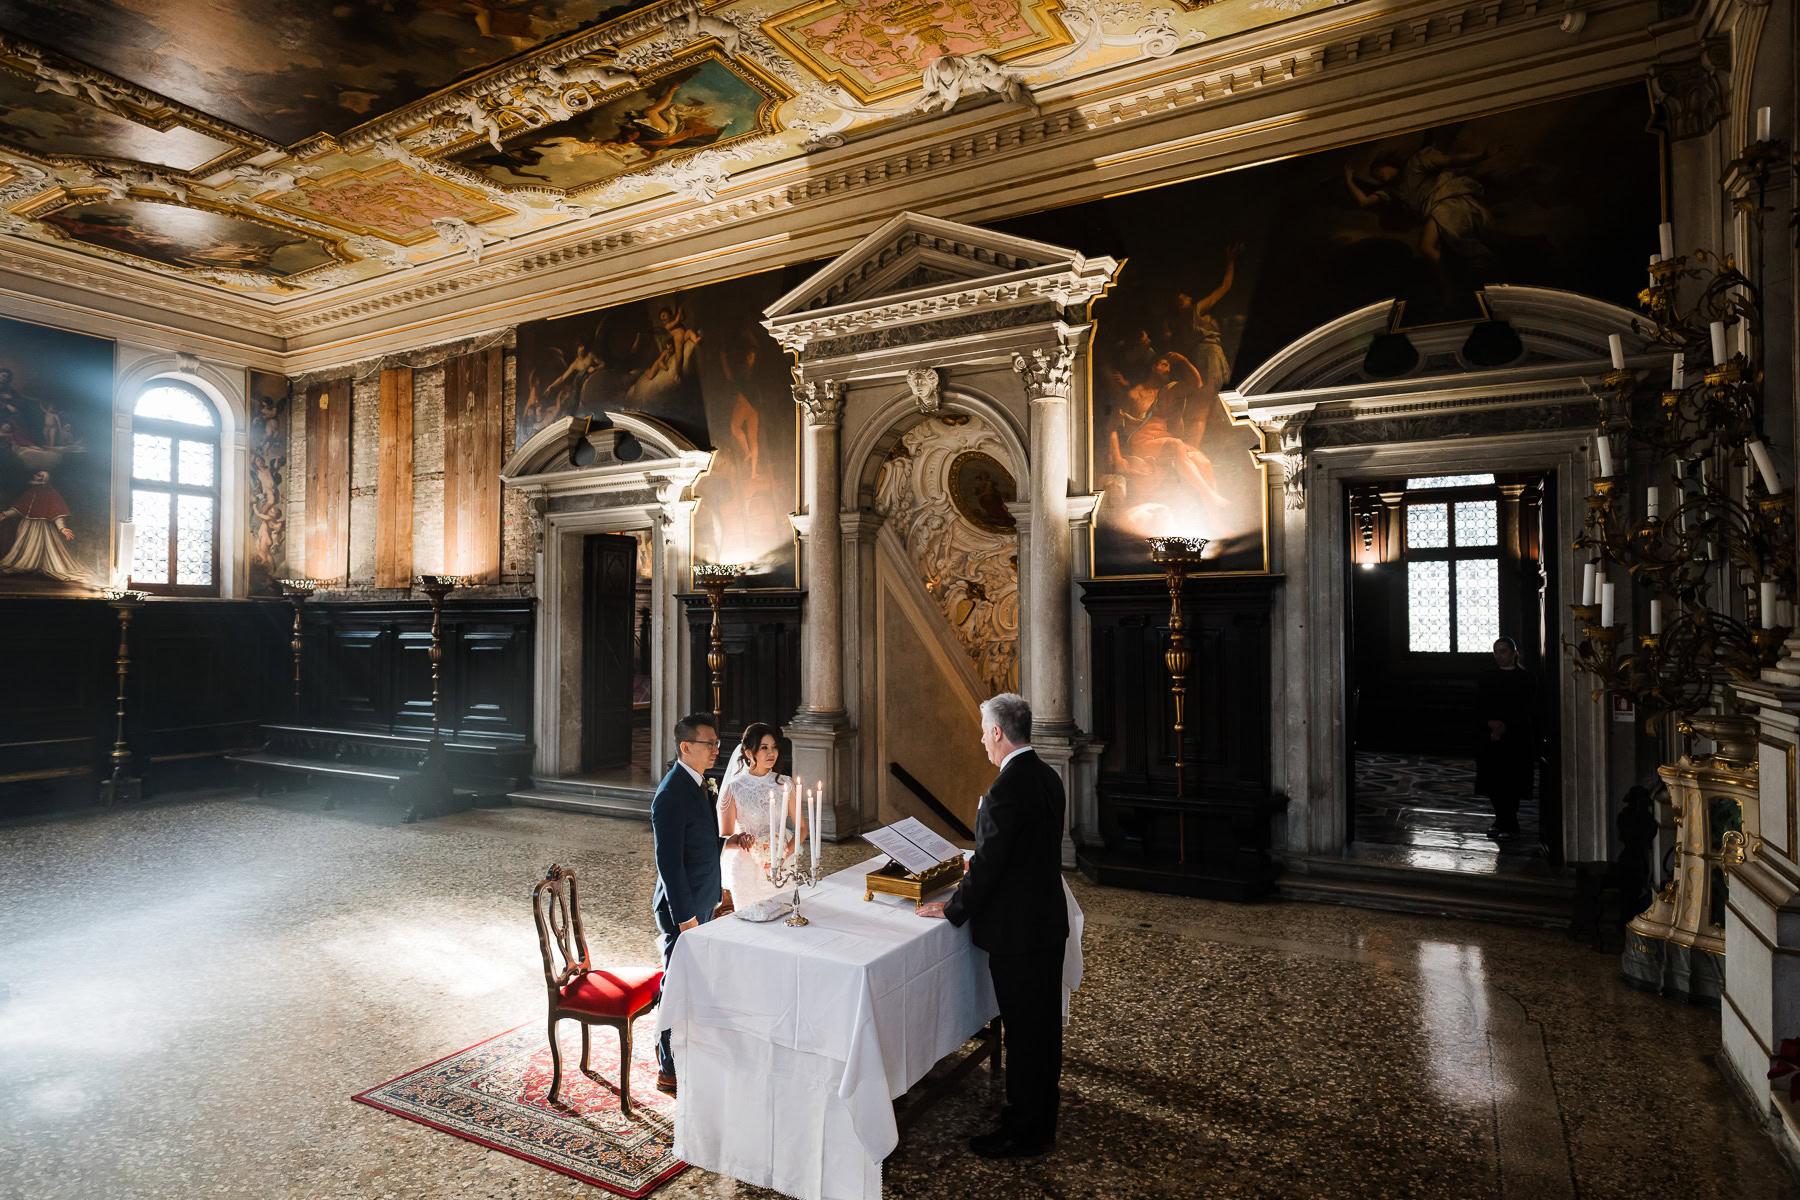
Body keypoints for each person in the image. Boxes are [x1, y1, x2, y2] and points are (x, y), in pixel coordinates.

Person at [918, 693, 1069, 1159]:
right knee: (1042, 1034)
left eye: (984, 731)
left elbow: (991, 866)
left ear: (999, 733)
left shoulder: (1007, 789)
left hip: (1019, 934)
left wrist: (954, 908)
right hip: (1046, 924)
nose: (982, 739)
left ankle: (1024, 1133)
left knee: (1026, 1036)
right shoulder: (1047, 775)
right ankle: (1035, 1117)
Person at [650, 713, 751, 1096]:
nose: (716, 750)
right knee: (677, 985)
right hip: (683, 910)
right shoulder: (671, 794)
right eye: (709, 744)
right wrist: (687, 919)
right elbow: (670, 864)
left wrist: (729, 842)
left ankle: (694, 1052)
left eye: (717, 744)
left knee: (698, 985)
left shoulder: (699, 785)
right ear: (686, 747)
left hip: (703, 898)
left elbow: (701, 840)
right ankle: (668, 1066)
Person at [715, 722, 802, 909]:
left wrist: (784, 854)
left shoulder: (786, 784)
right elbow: (725, 838)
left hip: (783, 865)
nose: (771, 753)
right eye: (764, 748)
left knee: (786, 917)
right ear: (749, 753)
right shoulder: (734, 788)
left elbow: (801, 827)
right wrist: (740, 840)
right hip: (747, 868)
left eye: (774, 747)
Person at [1474, 636, 1535, 839]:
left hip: (1515, 738)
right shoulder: (1486, 676)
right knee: (1494, 781)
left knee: (1511, 782)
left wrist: (1505, 726)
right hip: (1490, 737)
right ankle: (1501, 821)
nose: (1499, 656)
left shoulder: (1525, 678)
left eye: (1503, 651)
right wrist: (1491, 723)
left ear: (1513, 653)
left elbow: (1525, 708)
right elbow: (1480, 705)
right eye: (1496, 652)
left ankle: (1509, 823)